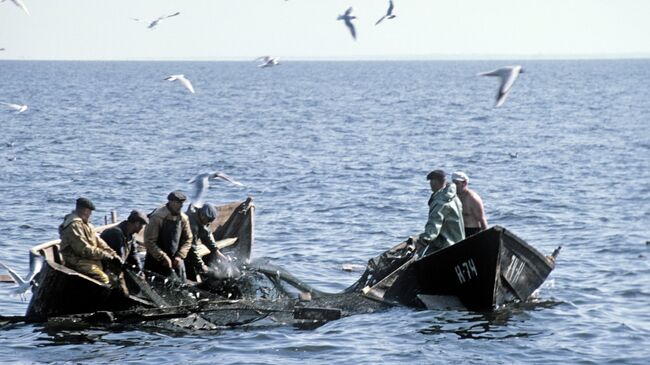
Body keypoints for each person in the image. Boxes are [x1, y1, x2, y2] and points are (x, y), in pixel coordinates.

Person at [59, 197, 122, 285]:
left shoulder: (86, 224)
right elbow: (83, 250)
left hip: (89, 260)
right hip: (77, 262)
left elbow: (99, 242)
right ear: (82, 210)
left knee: (115, 276)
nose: (90, 214)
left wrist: (113, 254)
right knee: (103, 279)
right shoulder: (74, 225)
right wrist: (106, 256)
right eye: (89, 211)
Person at [143, 191, 193, 279]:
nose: (181, 206)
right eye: (178, 203)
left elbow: (188, 239)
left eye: (182, 203)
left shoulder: (183, 218)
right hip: (156, 259)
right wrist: (163, 257)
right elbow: (149, 241)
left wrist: (180, 255)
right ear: (170, 202)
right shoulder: (157, 217)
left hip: (175, 259)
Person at [417, 170, 465, 256]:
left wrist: (424, 239)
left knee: (420, 255)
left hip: (447, 245)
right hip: (459, 241)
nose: (430, 184)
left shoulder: (440, 201)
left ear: (434, 183)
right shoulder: (453, 195)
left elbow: (434, 224)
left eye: (431, 181)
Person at [185, 203, 228, 281]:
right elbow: (191, 248)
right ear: (202, 215)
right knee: (192, 268)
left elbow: (207, 235)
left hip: (189, 247)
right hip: (181, 249)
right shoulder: (192, 225)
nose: (208, 223)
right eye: (208, 221)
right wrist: (202, 265)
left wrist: (216, 252)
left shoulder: (200, 220)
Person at [452, 171, 488, 237]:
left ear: (464, 183)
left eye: (457, 183)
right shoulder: (453, 197)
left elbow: (482, 219)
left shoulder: (473, 198)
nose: (454, 186)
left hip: (472, 232)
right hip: (459, 232)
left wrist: (487, 237)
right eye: (453, 183)